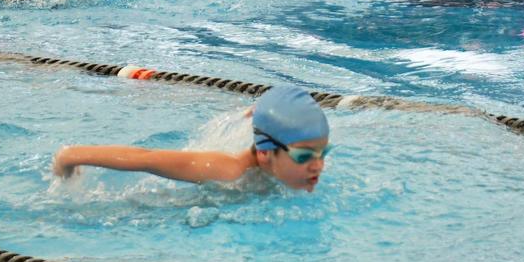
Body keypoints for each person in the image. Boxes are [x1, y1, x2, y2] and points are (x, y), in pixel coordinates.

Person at [51, 84, 330, 193]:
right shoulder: (227, 171)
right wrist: (71, 156)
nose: (318, 166)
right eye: (305, 157)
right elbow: (145, 158)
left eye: (323, 153)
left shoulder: (281, 158)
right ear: (265, 153)